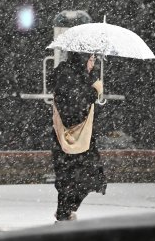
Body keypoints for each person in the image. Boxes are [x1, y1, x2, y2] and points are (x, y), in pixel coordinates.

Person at [48, 51, 107, 221]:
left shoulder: (79, 76)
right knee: (73, 177)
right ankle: (64, 213)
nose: (92, 64)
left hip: (80, 139)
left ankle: (65, 211)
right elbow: (73, 109)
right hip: (71, 138)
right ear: (82, 59)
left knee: (80, 176)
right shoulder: (67, 76)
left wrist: (93, 89)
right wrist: (93, 92)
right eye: (91, 59)